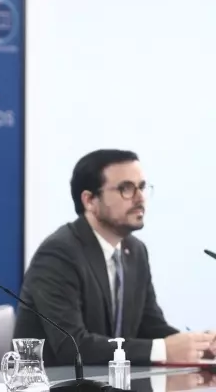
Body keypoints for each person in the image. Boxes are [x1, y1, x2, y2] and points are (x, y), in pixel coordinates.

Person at [13, 149, 216, 366]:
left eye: (142, 187)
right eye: (126, 189)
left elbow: (150, 327)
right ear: (90, 200)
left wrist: (199, 347)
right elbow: (71, 346)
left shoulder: (135, 251)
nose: (140, 198)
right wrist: (163, 350)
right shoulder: (59, 254)